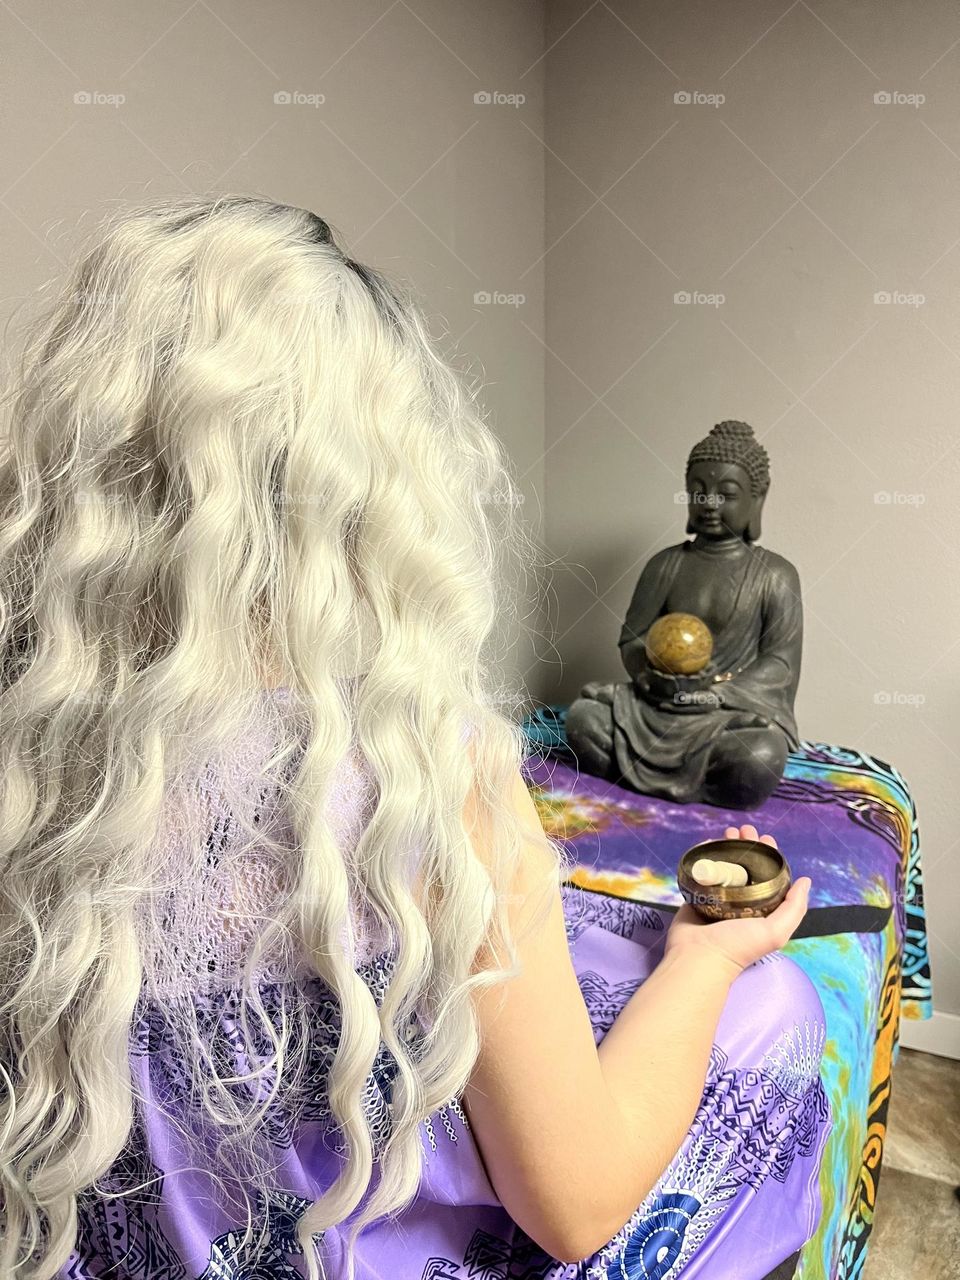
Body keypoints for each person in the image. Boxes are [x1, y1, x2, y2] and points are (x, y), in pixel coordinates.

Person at [0, 195, 831, 1280]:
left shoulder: (35, 754)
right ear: (371, 486)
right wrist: (707, 957)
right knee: (776, 1003)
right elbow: (575, 1205)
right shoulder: (426, 773)